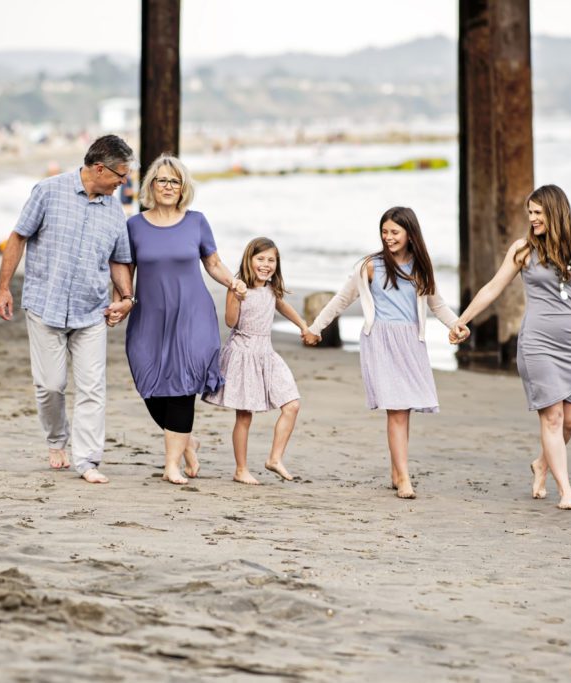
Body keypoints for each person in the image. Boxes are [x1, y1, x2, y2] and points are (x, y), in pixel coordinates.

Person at [453, 185, 571, 510]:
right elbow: (493, 287)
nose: (532, 218)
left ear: (555, 212)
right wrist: (462, 320)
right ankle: (566, 491)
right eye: (529, 213)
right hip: (537, 342)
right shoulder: (523, 250)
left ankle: (541, 464)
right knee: (553, 418)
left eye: (537, 212)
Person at [0, 134, 136, 485]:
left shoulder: (115, 211)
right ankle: (57, 439)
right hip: (46, 304)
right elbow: (18, 237)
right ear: (100, 169)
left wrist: (126, 297)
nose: (123, 182)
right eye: (121, 175)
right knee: (51, 385)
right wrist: (4, 287)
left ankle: (87, 460)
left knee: (92, 388)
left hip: (92, 311)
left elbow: (119, 259)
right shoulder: (48, 191)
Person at [305, 207, 468, 499]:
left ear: (410, 234)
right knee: (397, 410)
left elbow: (437, 305)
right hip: (381, 340)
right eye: (384, 231)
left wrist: (457, 325)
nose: (388, 237)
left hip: (412, 342)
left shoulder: (421, 267)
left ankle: (396, 471)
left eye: (394, 232)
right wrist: (315, 327)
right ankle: (404, 478)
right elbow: (342, 299)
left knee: (404, 409)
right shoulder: (370, 266)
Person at [108, 154, 246, 486]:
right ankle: (186, 440)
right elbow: (125, 269)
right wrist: (120, 303)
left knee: (182, 386)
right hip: (149, 317)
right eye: (163, 180)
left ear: (183, 188)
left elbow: (213, 263)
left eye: (175, 181)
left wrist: (233, 282)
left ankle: (171, 465)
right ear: (151, 186)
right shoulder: (134, 226)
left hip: (192, 315)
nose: (169, 186)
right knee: (150, 385)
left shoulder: (196, 221)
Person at [203, 237, 307, 484]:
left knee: (292, 404)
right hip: (243, 354)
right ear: (249, 260)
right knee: (244, 416)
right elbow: (230, 322)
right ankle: (241, 469)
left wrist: (303, 325)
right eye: (260, 259)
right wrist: (236, 296)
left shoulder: (271, 288)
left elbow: (282, 306)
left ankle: (274, 458)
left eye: (271, 260)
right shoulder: (238, 287)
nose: (266, 264)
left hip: (266, 354)